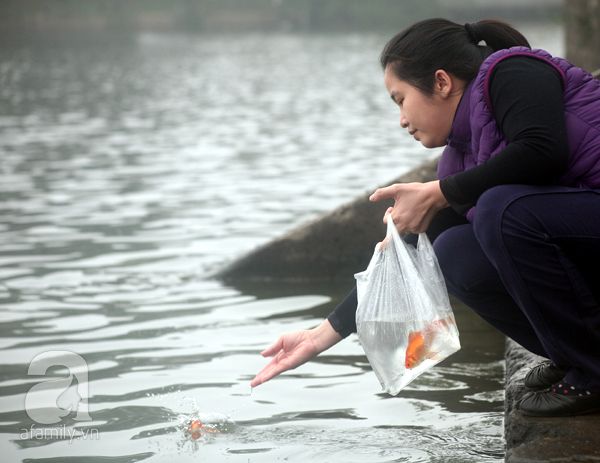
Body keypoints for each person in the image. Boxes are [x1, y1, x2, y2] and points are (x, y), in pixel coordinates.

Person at [251, 18, 600, 417]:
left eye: (400, 99)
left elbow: (542, 150)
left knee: (499, 211)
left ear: (441, 82)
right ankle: (574, 355)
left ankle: (592, 374)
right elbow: (404, 257)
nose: (401, 119)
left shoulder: (513, 72)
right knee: (449, 247)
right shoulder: (460, 157)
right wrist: (319, 336)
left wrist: (438, 192)